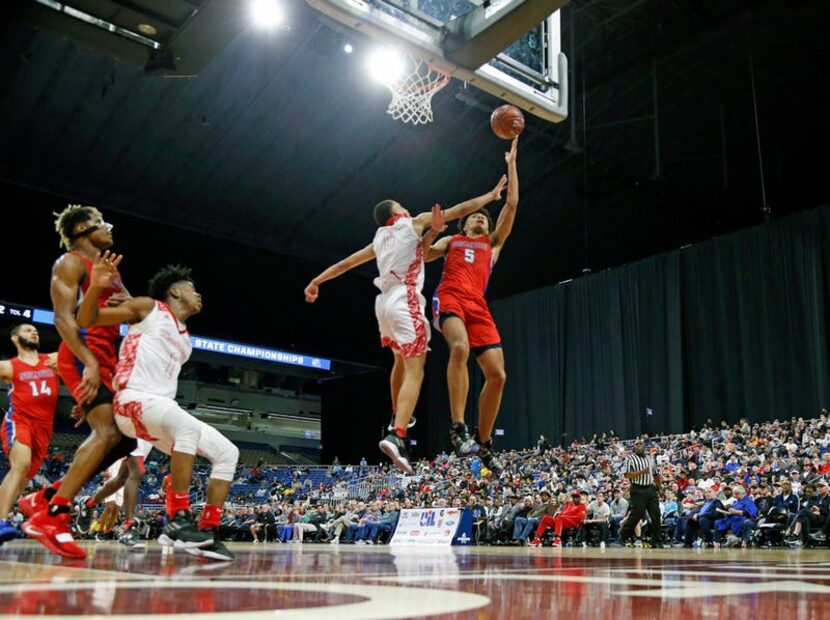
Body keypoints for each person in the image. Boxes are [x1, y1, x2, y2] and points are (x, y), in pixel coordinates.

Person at [304, 175, 508, 474]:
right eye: (403, 206)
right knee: (416, 367)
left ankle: (396, 418)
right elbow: (459, 209)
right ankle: (398, 433)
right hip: (405, 298)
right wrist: (491, 196)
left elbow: (345, 264)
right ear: (397, 212)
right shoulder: (412, 222)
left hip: (382, 305)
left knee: (400, 359)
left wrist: (316, 281)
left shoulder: (378, 238)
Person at [77, 253, 240, 561]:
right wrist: (97, 287)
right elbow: (87, 319)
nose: (199, 295)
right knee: (186, 426)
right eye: (193, 289)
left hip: (159, 411)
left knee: (228, 452)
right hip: (131, 400)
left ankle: (206, 531)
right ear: (175, 291)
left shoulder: (186, 341)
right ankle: (178, 518)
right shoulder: (148, 308)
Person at [21, 205, 142, 560]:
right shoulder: (70, 263)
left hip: (107, 358)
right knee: (106, 433)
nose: (109, 228)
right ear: (81, 229)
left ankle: (44, 497)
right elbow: (62, 319)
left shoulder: (110, 269)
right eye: (102, 223)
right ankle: (54, 514)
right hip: (83, 352)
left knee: (124, 441)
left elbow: (133, 310)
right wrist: (87, 364)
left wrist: (131, 303)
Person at [426, 138, 518, 471]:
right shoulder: (452, 240)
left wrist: (512, 164)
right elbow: (422, 256)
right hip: (450, 295)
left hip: (478, 305)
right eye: (474, 217)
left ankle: (484, 442)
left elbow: (512, 203)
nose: (479, 219)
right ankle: (458, 427)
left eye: (484, 218)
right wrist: (431, 233)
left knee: (498, 375)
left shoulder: (492, 246)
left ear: (489, 228)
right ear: (465, 224)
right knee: (460, 348)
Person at [0, 324, 58, 545]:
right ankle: (1, 521)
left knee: (21, 482)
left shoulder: (52, 360)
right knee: (20, 465)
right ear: (15, 339)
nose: (33, 332)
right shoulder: (9, 366)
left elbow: (75, 375)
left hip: (44, 427)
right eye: (27, 330)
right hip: (19, 421)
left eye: (35, 330)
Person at [620, 440, 663, 548]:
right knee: (636, 515)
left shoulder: (650, 458)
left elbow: (655, 474)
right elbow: (627, 475)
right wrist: (641, 472)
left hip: (650, 489)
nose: (638, 446)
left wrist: (660, 488)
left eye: (640, 444)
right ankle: (623, 537)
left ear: (644, 446)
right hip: (637, 489)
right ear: (634, 447)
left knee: (656, 515)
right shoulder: (630, 459)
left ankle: (656, 540)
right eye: (636, 445)